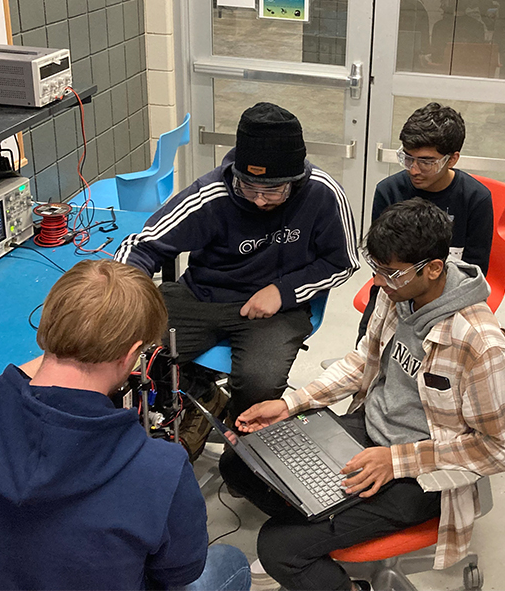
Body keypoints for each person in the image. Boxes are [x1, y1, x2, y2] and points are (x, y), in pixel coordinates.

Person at [221, 198, 505, 591]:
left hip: (421, 475)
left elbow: (499, 449)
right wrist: (291, 403)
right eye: (376, 269)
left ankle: (332, 562)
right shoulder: (397, 294)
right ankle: (321, 520)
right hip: (364, 431)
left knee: (279, 548)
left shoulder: (479, 343)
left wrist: (397, 460)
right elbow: (364, 361)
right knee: (239, 464)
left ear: (433, 269)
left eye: (390, 273)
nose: (378, 282)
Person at [0, 259, 251, 590]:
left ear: (45, 330)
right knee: (229, 562)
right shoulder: (160, 470)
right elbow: (178, 573)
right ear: (133, 353)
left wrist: (66, 343)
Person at [115, 102, 358, 456]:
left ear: (295, 179)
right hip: (203, 298)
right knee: (128, 353)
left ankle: (243, 457)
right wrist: (122, 300)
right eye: (249, 187)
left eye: (273, 191)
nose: (259, 200)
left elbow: (344, 262)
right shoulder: (212, 192)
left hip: (277, 310)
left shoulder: (322, 193)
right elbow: (141, 246)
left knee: (260, 382)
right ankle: (193, 402)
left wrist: (283, 291)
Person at [358, 102, 493, 340]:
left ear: (452, 159)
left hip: (451, 297)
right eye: (408, 158)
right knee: (370, 342)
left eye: (426, 162)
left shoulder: (476, 199)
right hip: (395, 290)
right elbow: (382, 261)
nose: (414, 169)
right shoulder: (388, 191)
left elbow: (475, 270)